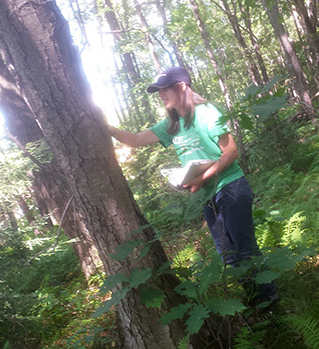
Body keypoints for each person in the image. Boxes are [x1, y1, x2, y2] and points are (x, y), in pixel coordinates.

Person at [108, 66, 278, 305]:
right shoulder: (172, 123)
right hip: (208, 198)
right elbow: (136, 140)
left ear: (182, 86)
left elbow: (231, 151)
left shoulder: (206, 112)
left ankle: (271, 302)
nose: (161, 94)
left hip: (231, 187)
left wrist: (202, 177)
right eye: (158, 90)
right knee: (227, 255)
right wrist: (108, 128)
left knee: (246, 250)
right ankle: (252, 301)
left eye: (165, 88)